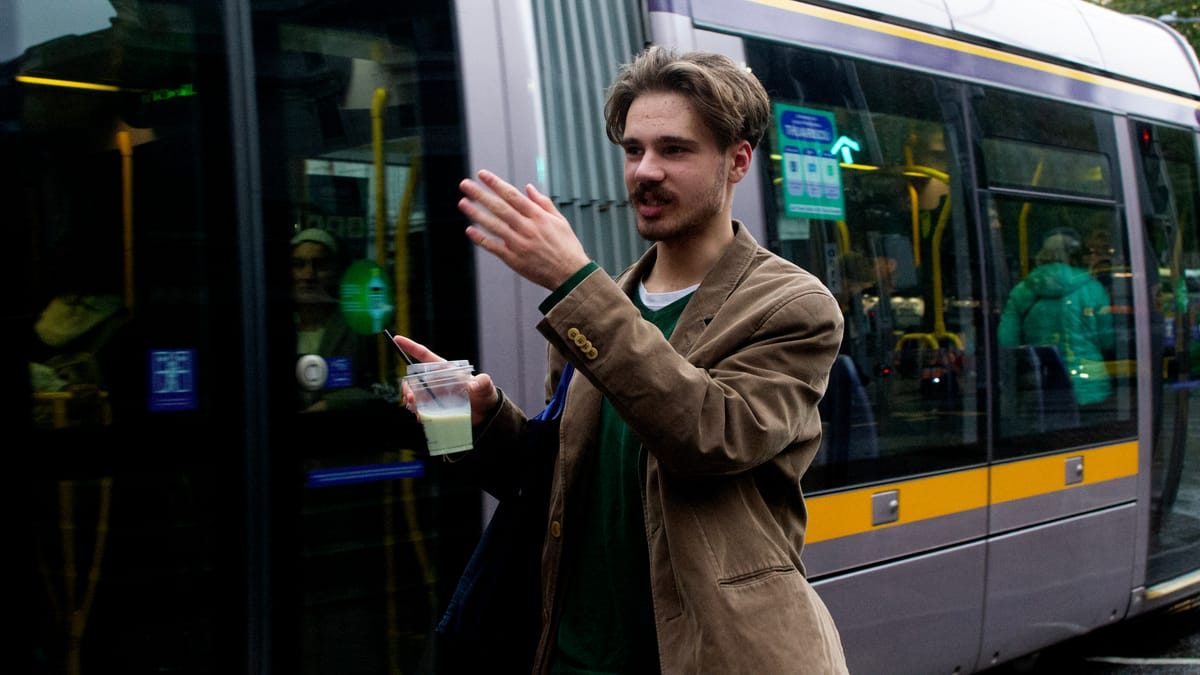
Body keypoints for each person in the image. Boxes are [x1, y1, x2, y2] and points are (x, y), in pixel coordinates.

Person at [397, 46, 848, 673]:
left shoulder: (791, 306)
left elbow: (710, 437)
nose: (645, 171)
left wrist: (575, 284)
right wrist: (484, 419)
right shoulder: (603, 306)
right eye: (634, 150)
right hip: (574, 654)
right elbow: (560, 484)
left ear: (737, 161)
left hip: (711, 655)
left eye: (675, 149)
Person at [998, 228, 1115, 406]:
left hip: (1041, 385)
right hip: (1089, 387)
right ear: (1076, 255)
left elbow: (1006, 341)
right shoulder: (1094, 289)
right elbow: (1107, 340)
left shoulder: (1022, 291)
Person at [291, 227, 379, 412]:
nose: (308, 276)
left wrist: (333, 404)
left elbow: (383, 388)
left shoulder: (357, 327)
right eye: (299, 265)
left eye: (320, 265)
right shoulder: (272, 327)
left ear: (336, 272)